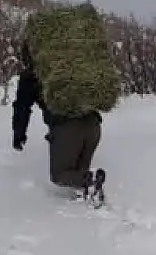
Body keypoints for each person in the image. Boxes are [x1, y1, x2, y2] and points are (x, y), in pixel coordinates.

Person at [11, 41, 104, 194]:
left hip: (67, 128)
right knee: (80, 173)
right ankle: (90, 194)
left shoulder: (32, 76)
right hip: (93, 125)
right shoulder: (70, 66)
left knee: (60, 175)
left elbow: (22, 108)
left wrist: (19, 134)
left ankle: (92, 179)